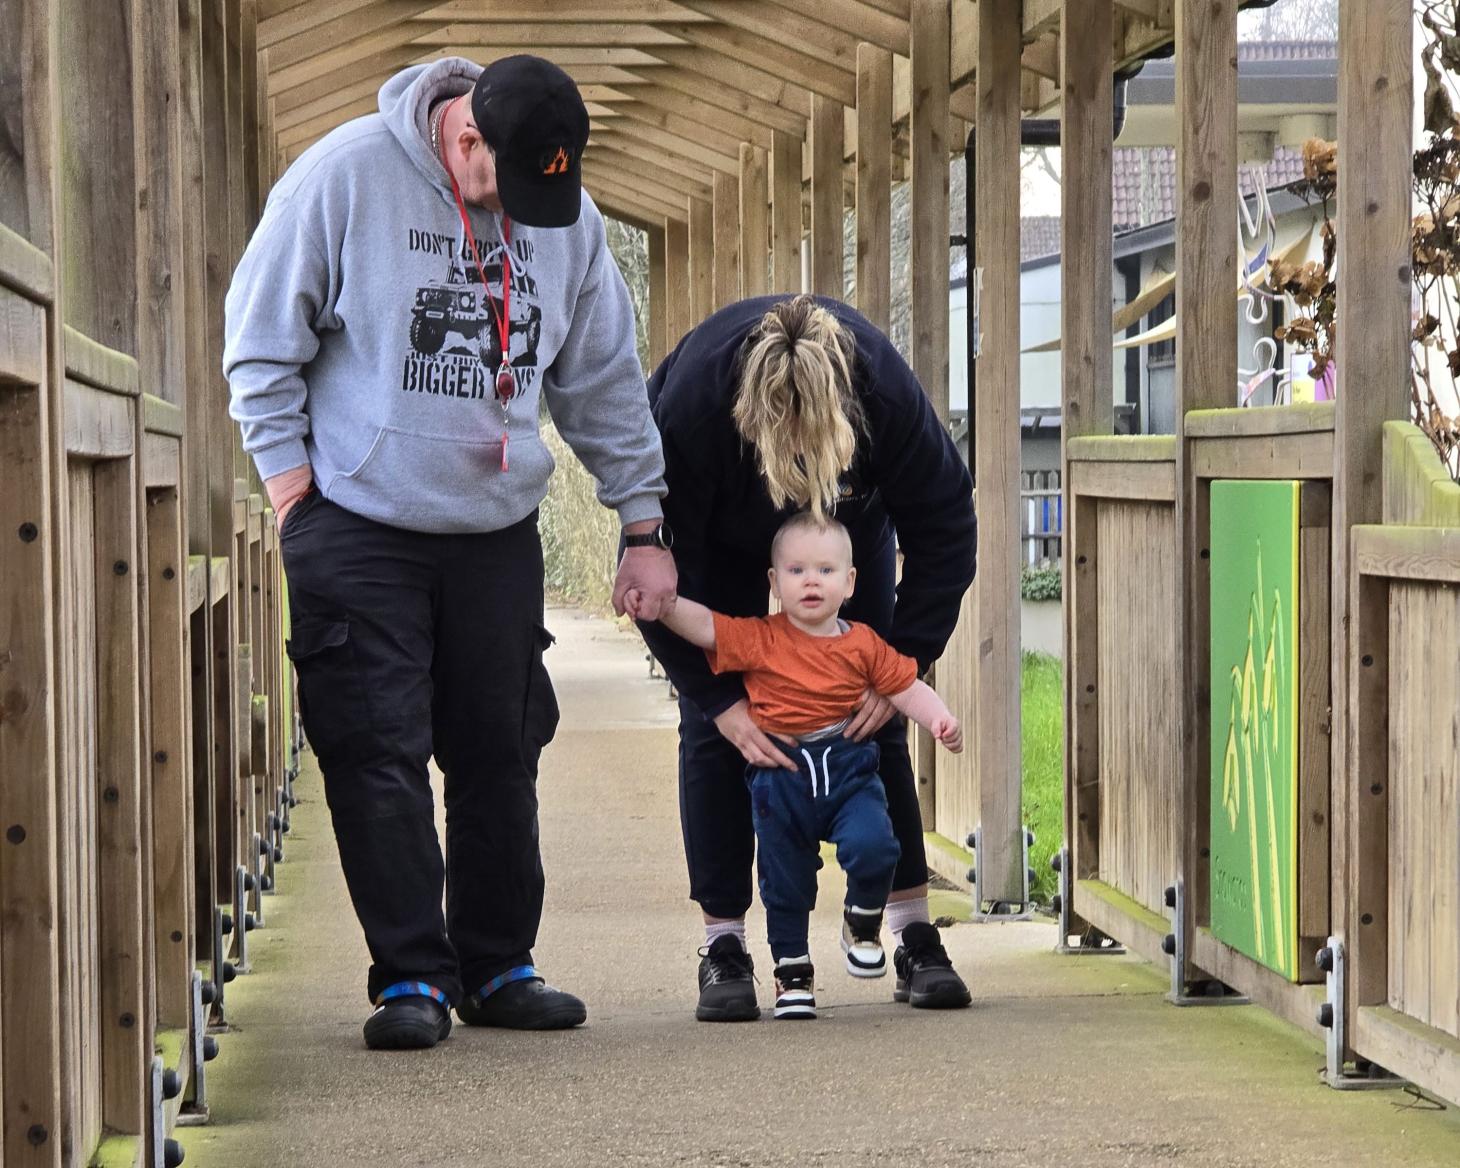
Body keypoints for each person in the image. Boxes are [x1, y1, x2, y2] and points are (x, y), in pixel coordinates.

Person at [223, 54, 677, 1050]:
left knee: (501, 750)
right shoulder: (342, 177)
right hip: (358, 521)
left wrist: (641, 523)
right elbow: (261, 343)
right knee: (374, 749)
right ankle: (410, 979)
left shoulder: (569, 220)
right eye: (507, 190)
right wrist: (295, 499)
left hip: (492, 532)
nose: (520, 216)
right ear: (464, 137)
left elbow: (599, 380)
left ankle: (499, 964)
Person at [637, 294, 978, 1021]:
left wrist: (904, 667)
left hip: (845, 526)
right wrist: (721, 703)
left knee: (869, 709)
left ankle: (912, 931)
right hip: (717, 539)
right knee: (717, 726)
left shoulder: (883, 395)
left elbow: (948, 524)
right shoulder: (693, 411)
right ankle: (723, 945)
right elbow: (655, 574)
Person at [647, 512, 963, 1020]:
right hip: (781, 778)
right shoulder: (760, 638)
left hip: (848, 770)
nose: (811, 580)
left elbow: (905, 687)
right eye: (795, 571)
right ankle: (792, 973)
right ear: (773, 583)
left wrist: (940, 720)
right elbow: (707, 627)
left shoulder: (864, 643)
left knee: (877, 844)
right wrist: (663, 604)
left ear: (851, 580)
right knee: (784, 881)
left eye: (825, 570)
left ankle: (861, 922)